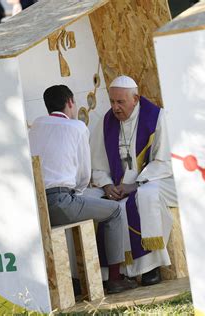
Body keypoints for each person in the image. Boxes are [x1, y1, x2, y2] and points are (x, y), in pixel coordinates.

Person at [28, 85, 137, 294]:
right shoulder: (77, 127)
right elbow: (84, 175)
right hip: (61, 202)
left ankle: (75, 278)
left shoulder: (37, 126)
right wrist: (78, 192)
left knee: (93, 201)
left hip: (37, 204)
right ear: (70, 102)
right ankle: (114, 278)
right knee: (114, 210)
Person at [90, 75, 178, 286]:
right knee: (107, 204)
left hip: (156, 179)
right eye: (112, 101)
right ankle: (120, 271)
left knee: (145, 196)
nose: (115, 107)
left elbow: (164, 161)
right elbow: (97, 164)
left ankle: (151, 267)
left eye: (120, 102)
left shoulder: (156, 117)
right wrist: (107, 184)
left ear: (136, 98)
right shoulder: (106, 123)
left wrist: (136, 184)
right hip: (120, 185)